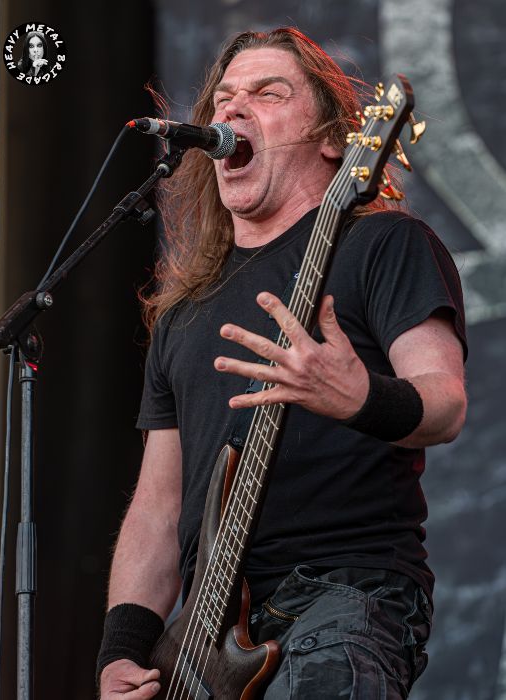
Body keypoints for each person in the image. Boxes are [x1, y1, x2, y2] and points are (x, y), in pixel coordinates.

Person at [97, 27, 467, 699]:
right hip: (196, 646)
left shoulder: (382, 243)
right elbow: (158, 506)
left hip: (341, 598)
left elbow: (444, 403)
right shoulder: (183, 313)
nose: (234, 109)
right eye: (224, 99)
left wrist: (358, 396)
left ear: (332, 140)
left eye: (268, 93)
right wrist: (121, 651)